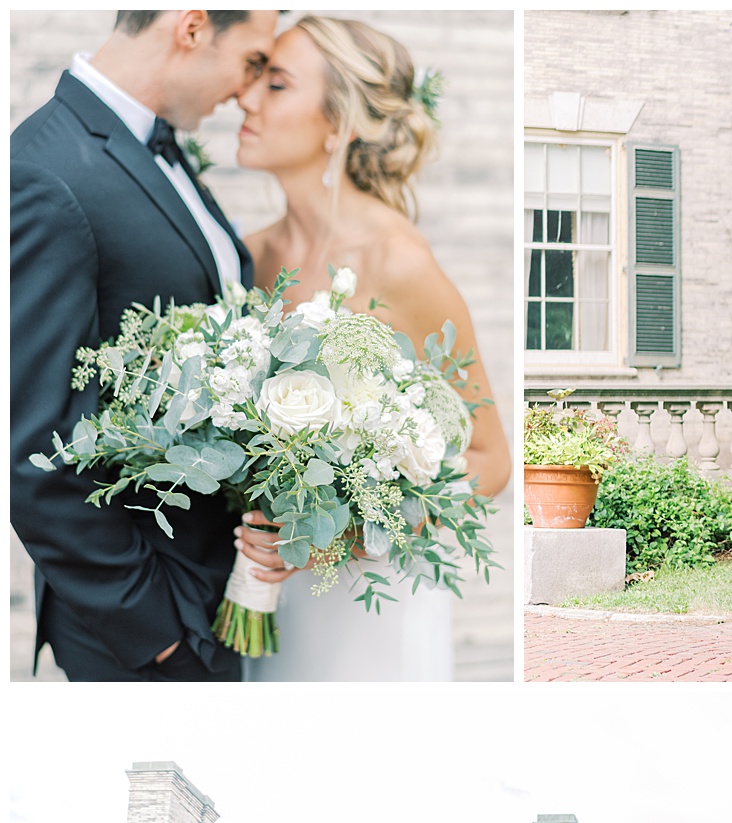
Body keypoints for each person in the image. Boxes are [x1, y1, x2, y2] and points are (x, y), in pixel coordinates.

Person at [231, 15, 508, 680]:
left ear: (338, 123)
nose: (245, 99)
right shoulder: (247, 258)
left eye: (275, 85)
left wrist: (345, 533)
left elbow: (491, 458)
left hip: (373, 602)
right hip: (267, 593)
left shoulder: (398, 262)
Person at [11, 8, 280, 680]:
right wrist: (158, 633)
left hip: (221, 592)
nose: (249, 93)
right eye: (251, 61)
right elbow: (34, 446)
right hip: (141, 624)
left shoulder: (160, 148)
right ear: (190, 28)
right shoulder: (44, 172)